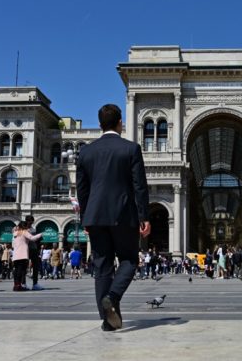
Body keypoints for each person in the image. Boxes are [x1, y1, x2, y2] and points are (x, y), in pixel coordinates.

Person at [76, 104, 151, 332]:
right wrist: (144, 216)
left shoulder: (86, 152)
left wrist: (86, 219)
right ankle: (113, 296)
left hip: (96, 216)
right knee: (129, 260)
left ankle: (107, 321)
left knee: (102, 267)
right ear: (120, 123)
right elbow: (140, 186)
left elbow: (82, 189)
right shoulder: (130, 149)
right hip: (123, 214)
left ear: (100, 125)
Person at [12, 221, 43, 291]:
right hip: (22, 254)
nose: (27, 228)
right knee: (21, 270)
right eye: (26, 226)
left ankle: (16, 285)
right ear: (24, 226)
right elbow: (32, 238)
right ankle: (19, 286)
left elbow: (13, 244)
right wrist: (40, 234)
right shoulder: (24, 232)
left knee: (16, 270)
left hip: (16, 255)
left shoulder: (15, 233)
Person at [24, 215, 43, 290]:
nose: (31, 223)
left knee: (35, 266)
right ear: (27, 221)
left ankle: (35, 283)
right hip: (26, 249)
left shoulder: (33, 229)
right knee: (24, 267)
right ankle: (24, 283)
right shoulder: (23, 229)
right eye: (30, 221)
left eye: (31, 222)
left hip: (34, 249)